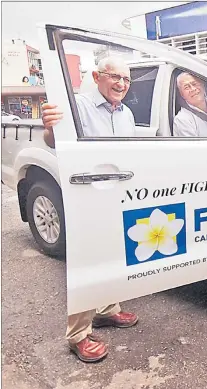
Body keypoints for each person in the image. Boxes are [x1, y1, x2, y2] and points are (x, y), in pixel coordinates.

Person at [41, 56, 139, 363]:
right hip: (86, 195)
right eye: (115, 77)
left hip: (116, 195)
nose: (121, 84)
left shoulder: (127, 114)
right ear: (97, 76)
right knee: (86, 262)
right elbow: (54, 139)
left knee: (112, 255)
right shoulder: (76, 106)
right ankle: (78, 335)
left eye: (126, 79)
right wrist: (50, 125)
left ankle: (108, 310)